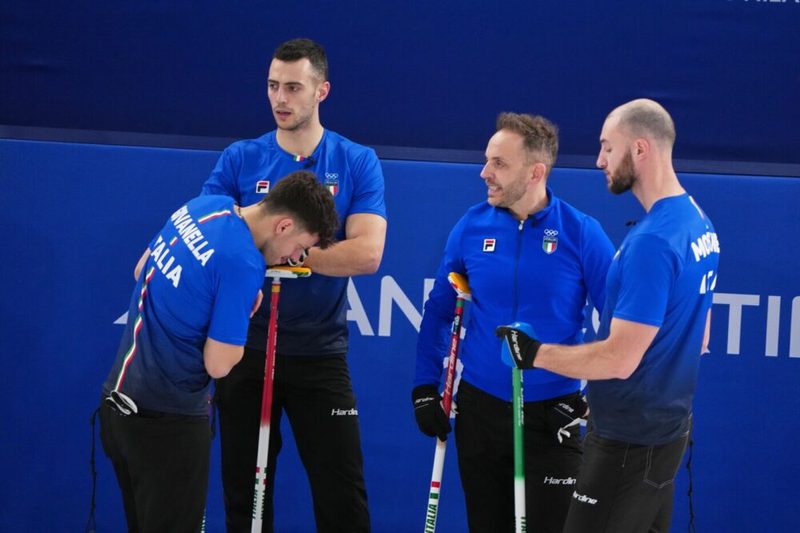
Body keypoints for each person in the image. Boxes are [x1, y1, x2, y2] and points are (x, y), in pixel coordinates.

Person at [497, 99, 720, 533]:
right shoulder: (698, 223)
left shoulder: (652, 242)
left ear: (640, 149)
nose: (599, 160)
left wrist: (534, 354)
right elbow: (701, 336)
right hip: (665, 436)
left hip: (628, 444)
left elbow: (619, 360)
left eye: (606, 147)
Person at [202, 38, 386, 532]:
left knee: (343, 495)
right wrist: (273, 252)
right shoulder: (241, 158)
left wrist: (293, 253)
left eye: (292, 87)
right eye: (271, 86)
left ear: (321, 90)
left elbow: (367, 253)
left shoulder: (356, 160)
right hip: (244, 346)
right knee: (245, 495)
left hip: (319, 353)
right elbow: (209, 234)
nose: (279, 98)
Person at [99, 171, 339, 533]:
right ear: (284, 225)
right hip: (168, 426)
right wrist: (240, 312)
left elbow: (140, 270)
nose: (296, 258)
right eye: (302, 246)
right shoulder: (243, 263)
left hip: (117, 411)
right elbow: (219, 364)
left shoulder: (204, 207)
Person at [413, 112, 615, 532]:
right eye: (488, 160)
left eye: (499, 164)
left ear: (536, 172)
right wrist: (424, 386)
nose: (485, 173)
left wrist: (593, 398)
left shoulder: (581, 232)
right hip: (481, 411)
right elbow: (439, 310)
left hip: (552, 414)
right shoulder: (472, 226)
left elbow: (618, 325)